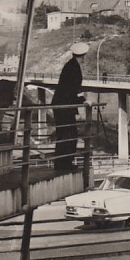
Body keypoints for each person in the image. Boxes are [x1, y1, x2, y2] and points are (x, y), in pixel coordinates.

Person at [51, 42, 89, 170]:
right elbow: (75, 88)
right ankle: (64, 164)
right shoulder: (74, 68)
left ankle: (62, 163)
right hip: (64, 106)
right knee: (69, 134)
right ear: (82, 56)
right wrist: (84, 101)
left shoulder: (70, 65)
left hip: (62, 105)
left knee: (65, 134)